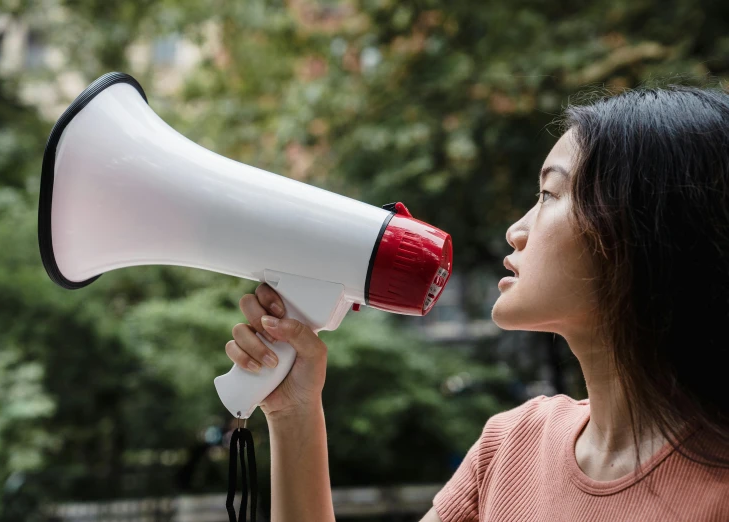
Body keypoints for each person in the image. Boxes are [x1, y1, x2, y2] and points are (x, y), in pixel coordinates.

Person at [223, 85, 729, 521]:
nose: (516, 230)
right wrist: (294, 413)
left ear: (641, 231)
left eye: (550, 195)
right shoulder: (511, 446)